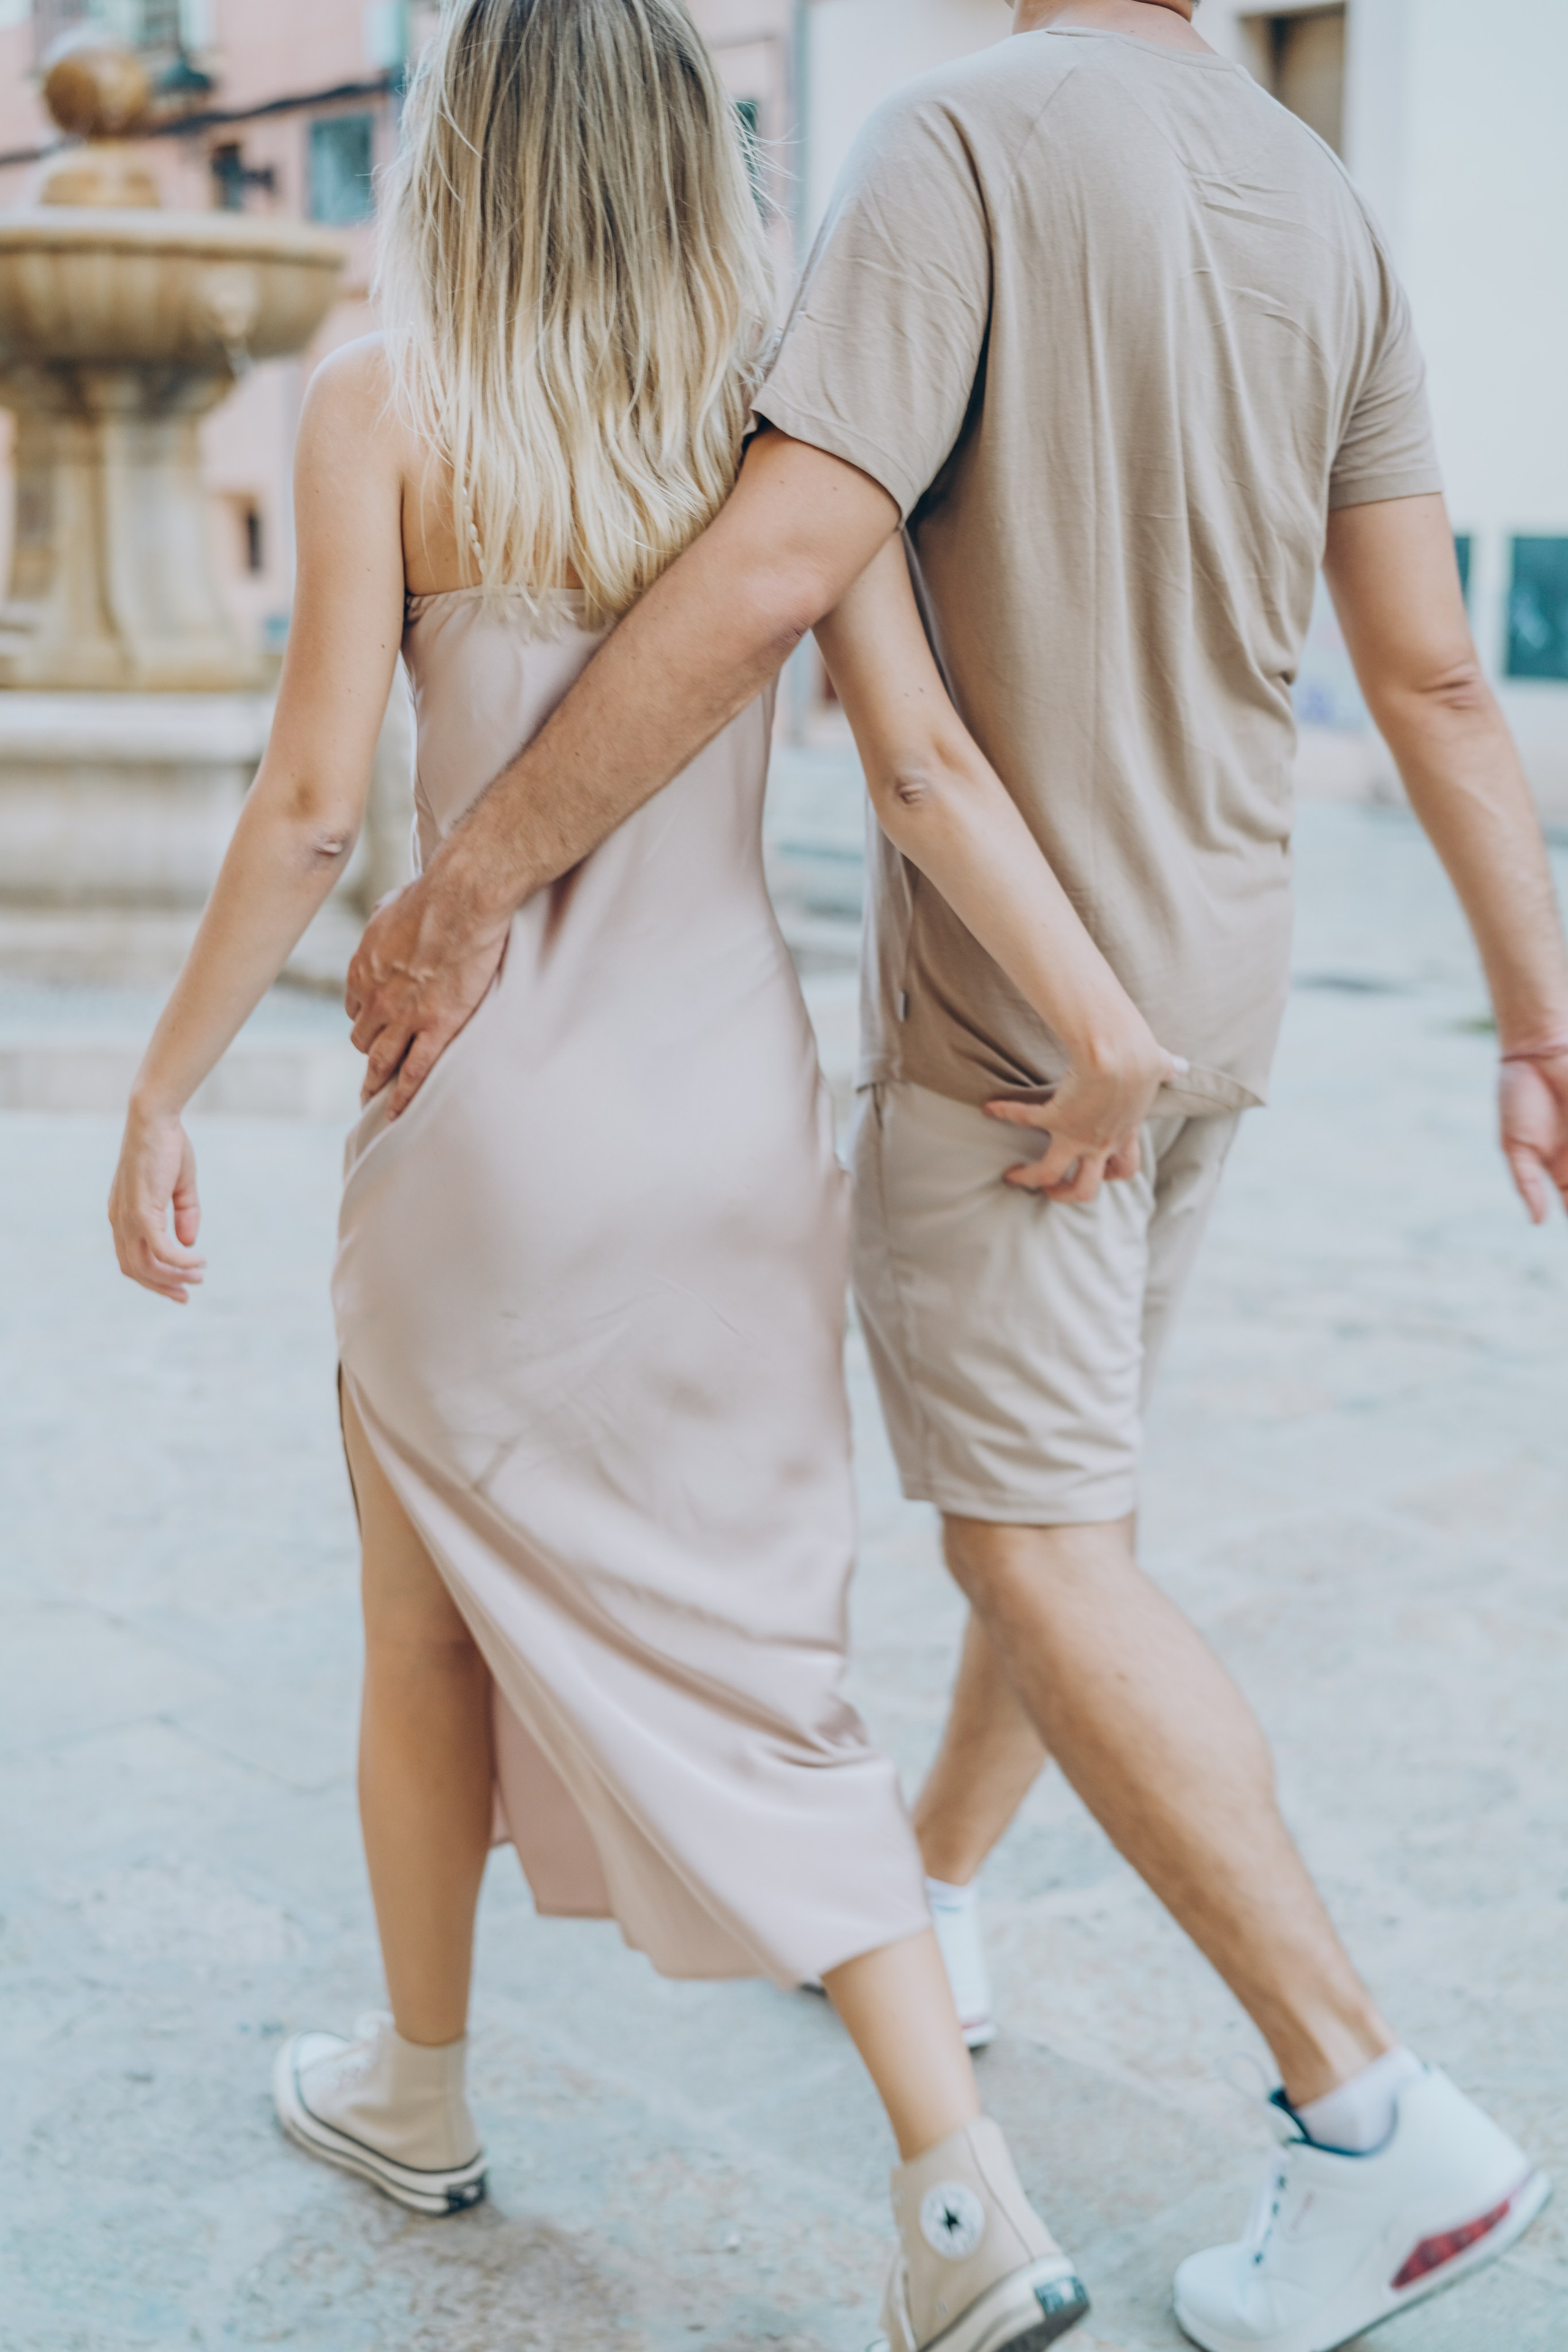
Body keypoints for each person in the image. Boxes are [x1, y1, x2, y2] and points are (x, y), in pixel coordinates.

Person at [341, 1, 1568, 2348]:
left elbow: (787, 552)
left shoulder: (955, 142)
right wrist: (1537, 1015)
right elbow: (1429, 677)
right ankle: (947, 1891)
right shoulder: (1323, 197)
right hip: (1222, 993)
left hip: (1030, 1031)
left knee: (1042, 1547)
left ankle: (1372, 2113)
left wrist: (476, 874)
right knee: (1069, 1506)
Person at [98, 3, 1253, 2346]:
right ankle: (958, 2197)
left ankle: (418, 2092)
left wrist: (161, 1087)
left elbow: (320, 806)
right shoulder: (776, 422)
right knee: (767, 1668)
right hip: (734, 1128)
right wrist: (1112, 1023)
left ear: (465, 143)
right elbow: (919, 769)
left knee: (417, 1630)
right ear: (690, 152)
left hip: (485, 1134)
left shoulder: (381, 406)